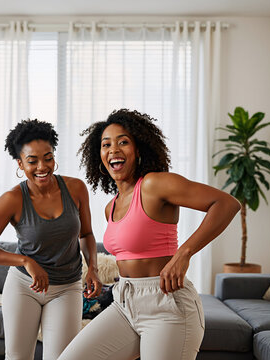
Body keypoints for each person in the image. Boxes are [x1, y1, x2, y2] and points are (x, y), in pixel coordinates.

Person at [58, 109, 241, 360]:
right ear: (99, 155)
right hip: (125, 302)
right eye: (106, 144)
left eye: (123, 142)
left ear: (139, 149)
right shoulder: (110, 207)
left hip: (167, 304)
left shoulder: (155, 184)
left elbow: (226, 204)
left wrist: (183, 253)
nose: (114, 149)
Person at [0, 119, 102, 360]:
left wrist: (92, 267)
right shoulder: (11, 199)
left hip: (67, 287)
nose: (42, 166)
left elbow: (86, 234)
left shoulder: (75, 189)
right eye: (32, 161)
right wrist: (26, 262)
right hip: (24, 287)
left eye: (48, 157)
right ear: (20, 163)